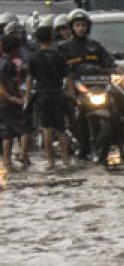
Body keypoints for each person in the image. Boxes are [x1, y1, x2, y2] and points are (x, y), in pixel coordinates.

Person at [60, 9, 115, 162]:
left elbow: (108, 60)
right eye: (77, 25)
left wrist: (114, 68)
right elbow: (59, 67)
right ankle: (72, 141)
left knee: (114, 109)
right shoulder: (64, 48)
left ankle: (121, 147)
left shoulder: (95, 46)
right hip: (74, 89)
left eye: (83, 25)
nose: (81, 28)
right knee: (70, 112)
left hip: (96, 87)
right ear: (72, 28)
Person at [25, 21, 71, 168]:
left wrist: (27, 98)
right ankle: (66, 160)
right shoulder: (60, 56)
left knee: (46, 128)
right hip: (58, 93)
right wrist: (71, 97)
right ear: (52, 39)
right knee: (61, 129)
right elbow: (68, 77)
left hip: (42, 94)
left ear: (38, 40)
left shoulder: (33, 57)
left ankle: (51, 162)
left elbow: (30, 79)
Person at [0, 33, 27, 170]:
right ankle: (20, 159)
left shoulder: (3, 62)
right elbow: (4, 84)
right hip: (9, 102)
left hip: (4, 103)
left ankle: (6, 161)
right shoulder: (9, 64)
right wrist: (13, 98)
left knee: (6, 133)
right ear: (14, 49)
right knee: (24, 130)